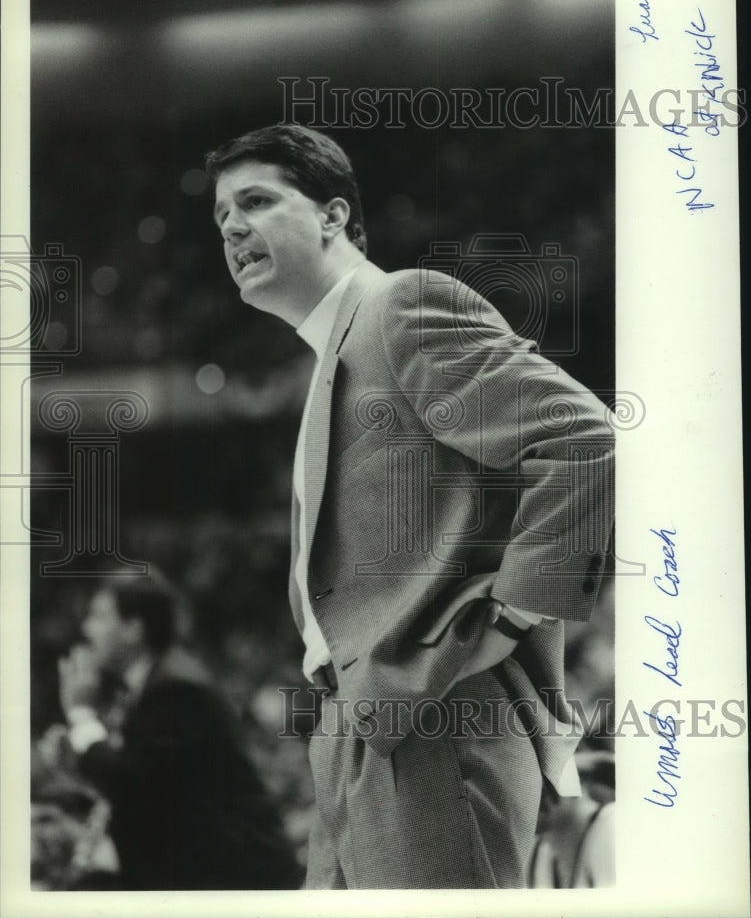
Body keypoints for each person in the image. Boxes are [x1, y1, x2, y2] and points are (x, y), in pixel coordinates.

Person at [205, 124, 615, 889]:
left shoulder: (400, 305)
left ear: (332, 215)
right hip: (364, 723)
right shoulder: (339, 349)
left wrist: (508, 620)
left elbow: (584, 439)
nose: (230, 226)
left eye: (255, 201)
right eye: (221, 213)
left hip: (430, 715)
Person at [57, 571, 301, 889]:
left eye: (100, 617)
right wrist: (81, 765)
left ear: (134, 628)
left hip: (233, 878)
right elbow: (158, 787)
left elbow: (134, 786)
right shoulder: (157, 682)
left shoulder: (175, 689)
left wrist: (80, 713)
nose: (87, 629)